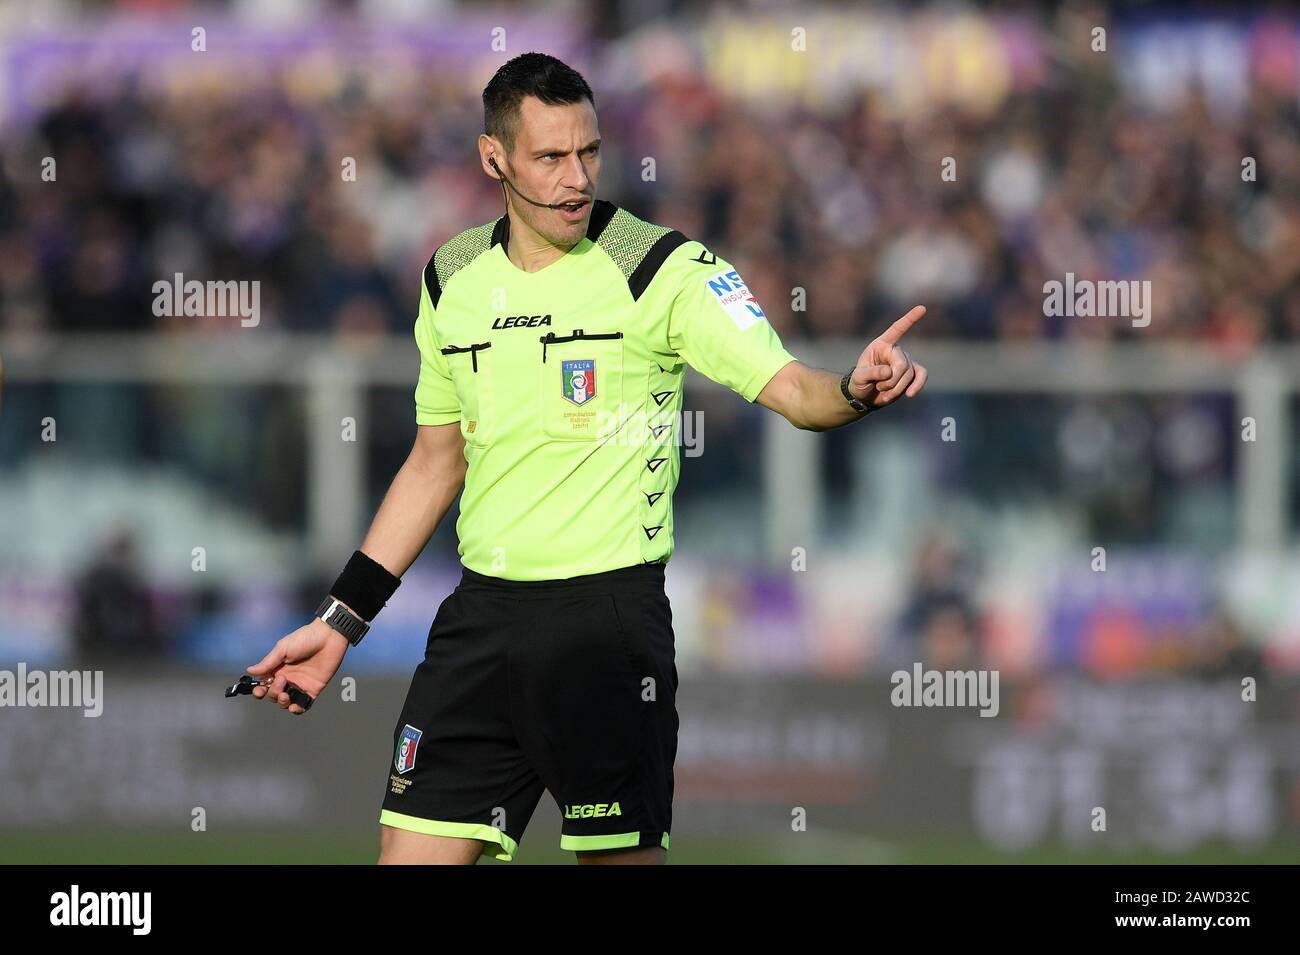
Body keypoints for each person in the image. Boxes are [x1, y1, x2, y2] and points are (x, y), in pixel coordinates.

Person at [246, 52, 928, 865]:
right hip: (480, 623)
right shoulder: (450, 277)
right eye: (550, 157)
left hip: (607, 630)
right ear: (493, 158)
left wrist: (852, 387)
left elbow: (793, 389)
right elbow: (434, 463)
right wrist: (340, 622)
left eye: (589, 152)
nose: (577, 178)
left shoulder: (662, 267)